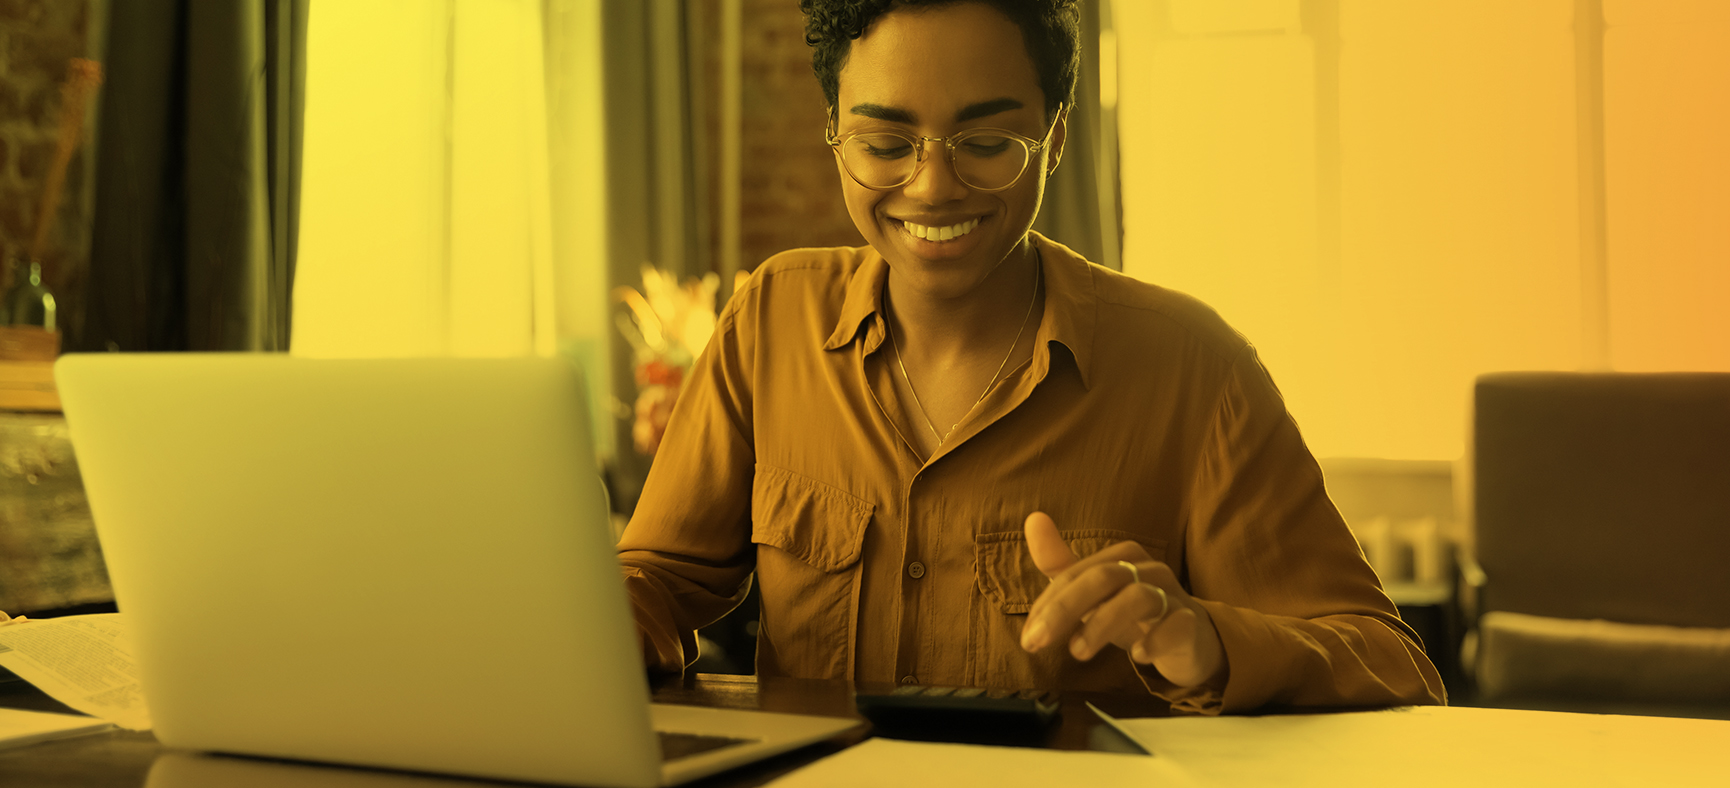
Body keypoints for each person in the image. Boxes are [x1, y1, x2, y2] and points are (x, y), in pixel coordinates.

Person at [618, 0, 1446, 714]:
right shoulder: (771, 321)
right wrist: (607, 616)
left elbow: (1395, 665)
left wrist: (1208, 640)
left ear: (1052, 138)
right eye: (885, 143)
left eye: (986, 143)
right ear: (834, 133)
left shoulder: (1195, 370)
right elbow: (656, 579)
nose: (933, 186)